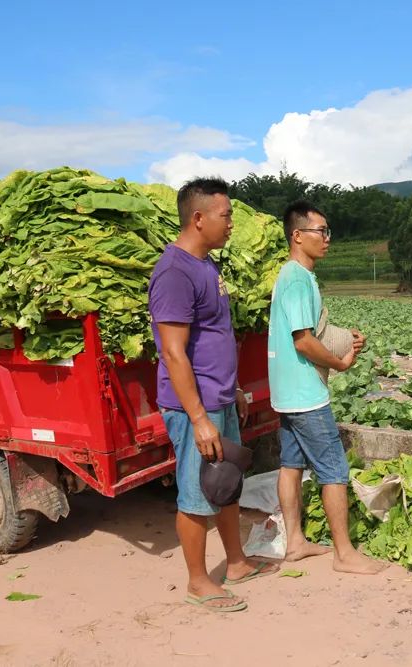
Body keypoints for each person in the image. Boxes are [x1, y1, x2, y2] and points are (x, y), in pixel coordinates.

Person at [149, 177, 279, 613]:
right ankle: (197, 581)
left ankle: (237, 563)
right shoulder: (174, 272)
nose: (231, 225)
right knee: (196, 493)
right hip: (194, 408)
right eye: (226, 216)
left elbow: (214, 338)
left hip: (219, 398)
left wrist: (234, 388)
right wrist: (200, 417)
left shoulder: (207, 266)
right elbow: (173, 351)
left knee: (225, 484)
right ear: (198, 217)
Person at [269, 201, 387, 575]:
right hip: (306, 393)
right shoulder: (298, 278)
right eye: (320, 231)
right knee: (333, 469)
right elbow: (303, 340)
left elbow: (310, 334)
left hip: (286, 391)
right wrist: (340, 362)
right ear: (297, 235)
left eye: (328, 232)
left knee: (290, 464)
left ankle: (295, 543)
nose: (327, 239)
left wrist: (341, 340)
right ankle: (345, 554)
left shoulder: (289, 276)